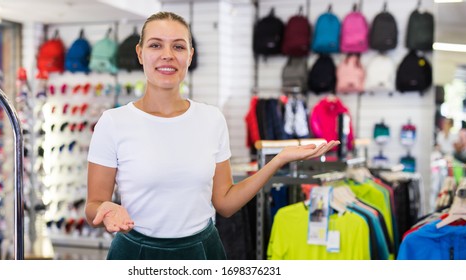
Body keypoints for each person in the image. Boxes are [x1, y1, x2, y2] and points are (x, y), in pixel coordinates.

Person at [85, 11, 339, 260]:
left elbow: (225, 202)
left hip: (202, 251)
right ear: (140, 53)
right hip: (135, 253)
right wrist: (105, 209)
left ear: (190, 56)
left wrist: (278, 160)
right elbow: (94, 204)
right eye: (155, 45)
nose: (167, 55)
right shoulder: (114, 122)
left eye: (178, 47)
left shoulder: (211, 119)